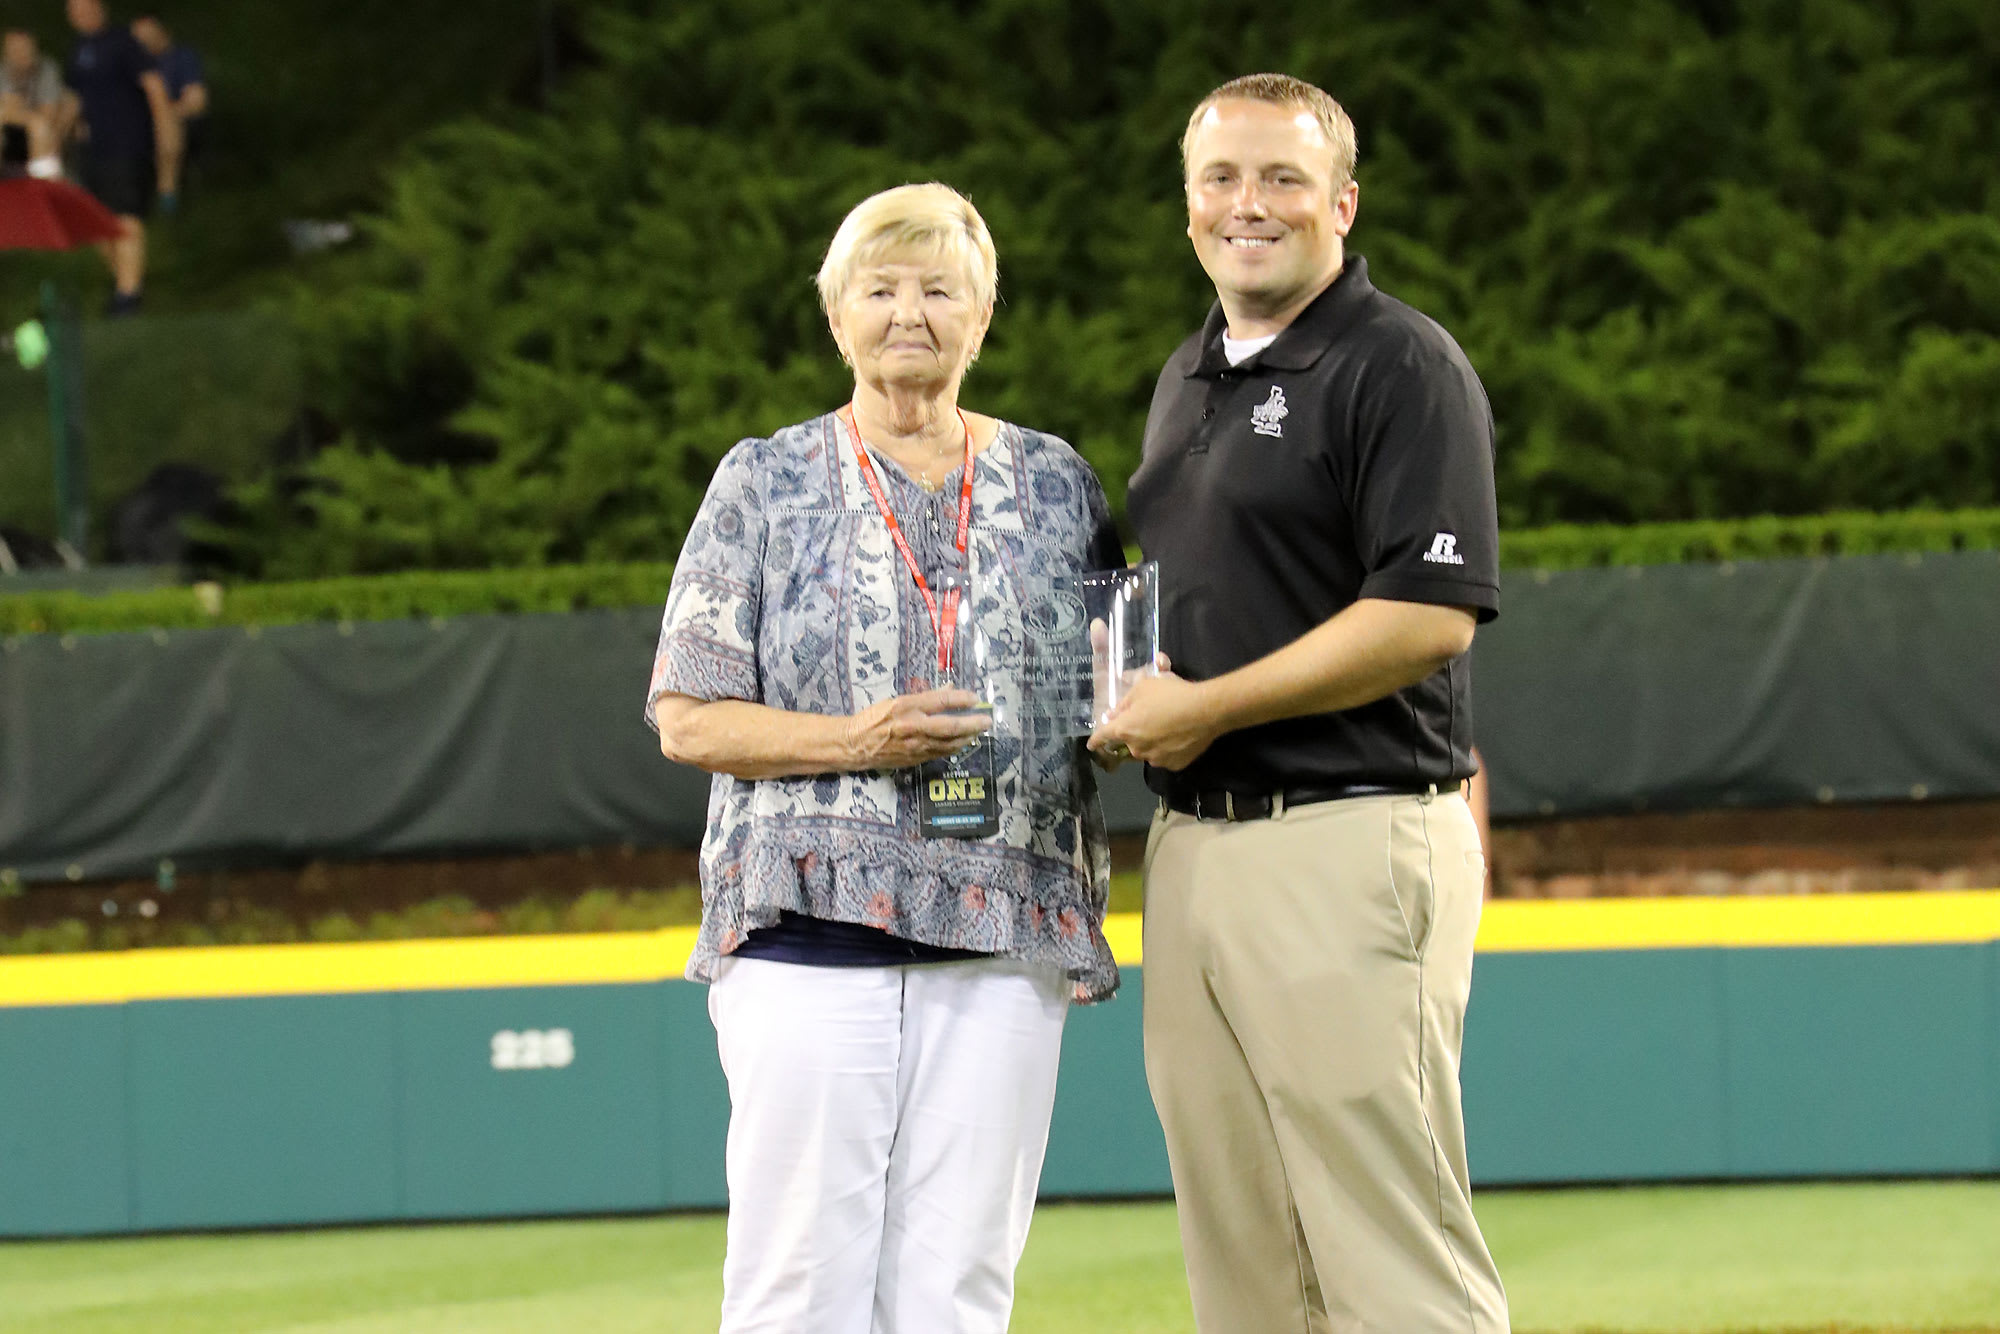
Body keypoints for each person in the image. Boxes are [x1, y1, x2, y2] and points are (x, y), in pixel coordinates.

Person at [646, 181, 1122, 1334]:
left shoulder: (1060, 482)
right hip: (807, 933)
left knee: (959, 1285)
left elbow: (1107, 682)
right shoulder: (761, 478)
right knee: (796, 1283)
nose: (909, 312)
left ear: (984, 313)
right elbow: (686, 716)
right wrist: (857, 741)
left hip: (1003, 931)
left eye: (939, 288)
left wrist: (1135, 704)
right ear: (835, 315)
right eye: (880, 288)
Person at [1090, 73, 1512, 1333]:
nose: (1248, 204)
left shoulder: (1400, 363)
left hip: (1347, 829)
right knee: (1246, 1264)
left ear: (1340, 200)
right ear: (1185, 209)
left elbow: (1424, 614)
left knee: (1392, 1255)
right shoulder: (1187, 376)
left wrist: (1207, 704)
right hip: (1193, 847)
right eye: (1220, 179)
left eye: (1281, 177)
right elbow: (1162, 604)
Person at [55, 0, 178, 314]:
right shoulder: (79, 50)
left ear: (99, 8)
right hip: (92, 149)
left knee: (125, 216)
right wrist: (57, 136)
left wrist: (166, 140)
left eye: (84, 7)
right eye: (73, 9)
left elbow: (154, 87)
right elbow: (74, 98)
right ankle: (124, 283)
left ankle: (128, 297)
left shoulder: (123, 43)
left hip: (127, 144)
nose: (79, 14)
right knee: (96, 220)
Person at [129, 13, 202, 211]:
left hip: (169, 121)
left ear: (163, 32)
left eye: (147, 34)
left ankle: (167, 198)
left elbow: (196, 100)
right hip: (131, 124)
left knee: (165, 123)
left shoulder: (182, 58)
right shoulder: (130, 65)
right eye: (137, 36)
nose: (142, 40)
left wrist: (165, 113)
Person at [0, 29, 64, 176]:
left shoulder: (46, 69)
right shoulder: (2, 71)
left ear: (33, 48)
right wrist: (31, 119)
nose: (19, 54)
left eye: (24, 48)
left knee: (42, 128)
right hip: (8, 132)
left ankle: (43, 185)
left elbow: (49, 113)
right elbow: (5, 110)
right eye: (13, 49)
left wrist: (30, 120)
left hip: (36, 133)